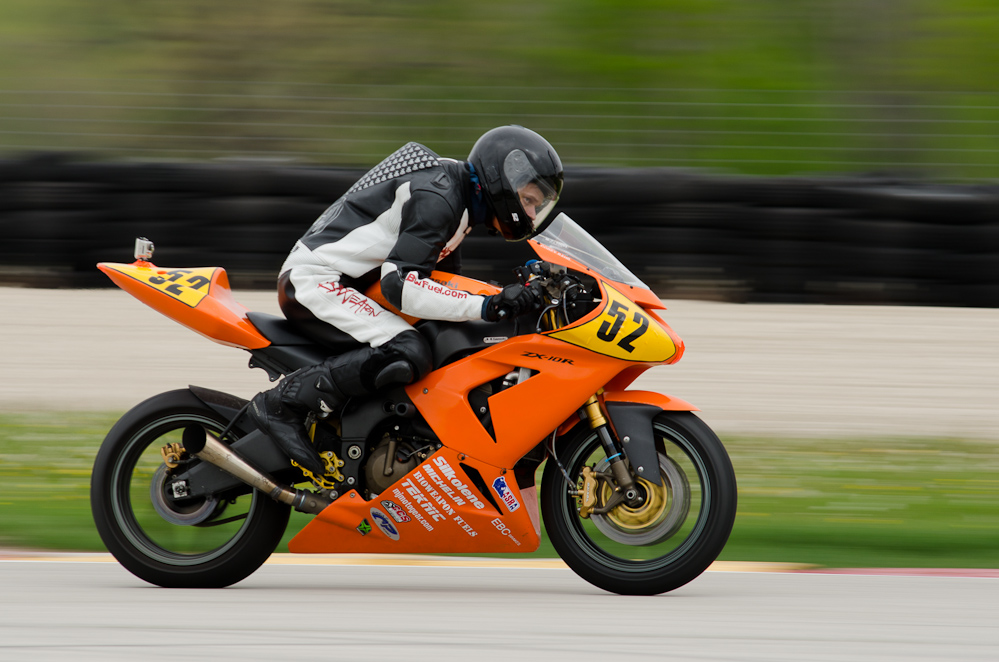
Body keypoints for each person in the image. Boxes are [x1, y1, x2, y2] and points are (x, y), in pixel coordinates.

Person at [249, 125, 564, 476]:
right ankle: (282, 404)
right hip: (317, 281)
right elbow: (402, 285)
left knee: (446, 339)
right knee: (407, 351)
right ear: (503, 179)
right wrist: (489, 306)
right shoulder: (439, 199)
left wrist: (504, 298)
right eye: (530, 200)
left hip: (356, 282)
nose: (533, 214)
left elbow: (443, 284)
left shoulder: (458, 199)